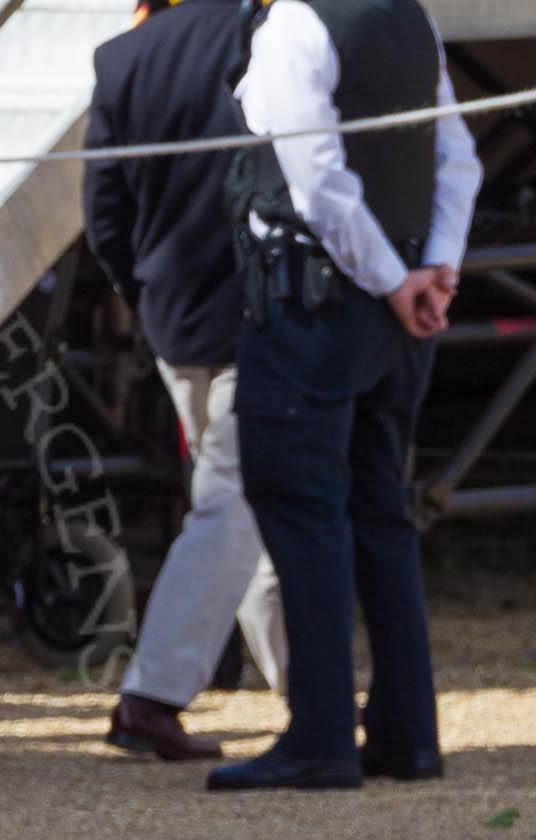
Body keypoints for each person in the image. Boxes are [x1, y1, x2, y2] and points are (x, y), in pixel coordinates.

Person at [209, 0, 480, 791]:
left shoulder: (299, 22)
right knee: (380, 516)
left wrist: (403, 283)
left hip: (317, 312)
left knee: (303, 512)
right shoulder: (410, 18)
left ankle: (322, 735)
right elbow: (457, 159)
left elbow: (318, 181)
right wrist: (436, 269)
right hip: (392, 313)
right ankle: (406, 734)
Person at [84, 0, 287, 762]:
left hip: (170, 316)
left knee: (243, 503)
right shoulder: (259, 34)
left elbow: (103, 218)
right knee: (232, 504)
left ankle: (309, 688)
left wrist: (144, 300)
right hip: (250, 306)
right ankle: (152, 695)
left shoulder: (120, 58)